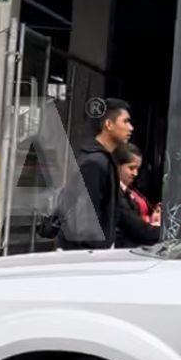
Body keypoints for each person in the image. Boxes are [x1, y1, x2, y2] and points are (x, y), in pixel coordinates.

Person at [57, 98, 133, 250]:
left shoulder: (104, 159)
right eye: (125, 122)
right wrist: (98, 250)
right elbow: (85, 219)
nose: (131, 128)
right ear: (109, 125)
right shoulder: (94, 163)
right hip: (83, 256)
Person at [114, 143, 161, 249]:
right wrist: (162, 230)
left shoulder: (129, 191)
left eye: (137, 169)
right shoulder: (116, 194)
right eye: (131, 168)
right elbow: (136, 228)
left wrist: (152, 219)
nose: (135, 173)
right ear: (117, 166)